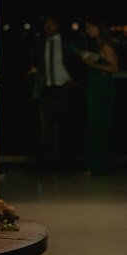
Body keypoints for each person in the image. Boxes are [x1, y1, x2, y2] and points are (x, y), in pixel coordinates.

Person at [28, 14, 85, 167]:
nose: (47, 27)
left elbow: (79, 62)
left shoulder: (68, 43)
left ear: (57, 25)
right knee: (46, 126)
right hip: (46, 87)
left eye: (51, 24)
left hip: (64, 87)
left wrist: (77, 81)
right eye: (46, 24)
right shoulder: (40, 43)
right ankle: (47, 160)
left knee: (66, 125)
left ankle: (64, 159)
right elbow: (35, 61)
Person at [75, 18, 119, 175]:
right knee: (93, 125)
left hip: (103, 88)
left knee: (101, 126)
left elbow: (114, 67)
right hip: (94, 87)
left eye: (89, 27)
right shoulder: (94, 46)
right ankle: (93, 164)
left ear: (97, 28)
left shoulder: (106, 46)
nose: (88, 31)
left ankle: (99, 165)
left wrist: (93, 65)